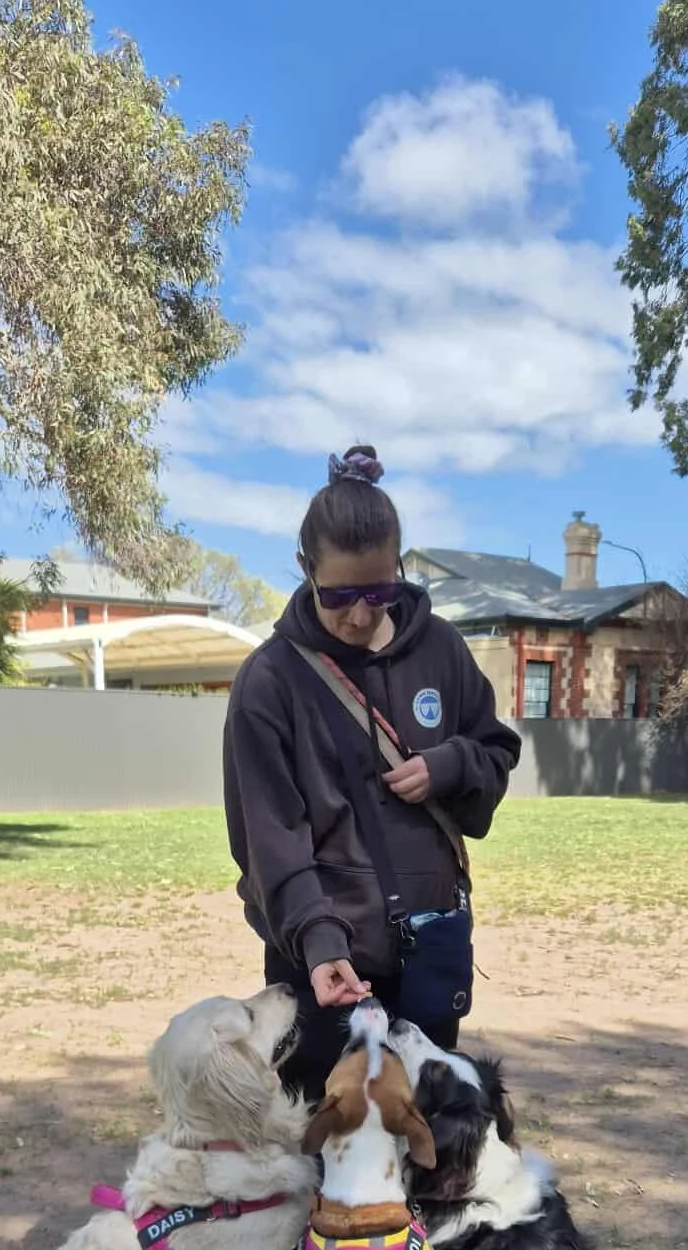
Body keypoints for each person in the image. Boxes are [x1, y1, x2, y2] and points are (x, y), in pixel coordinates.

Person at [222, 444, 521, 1104]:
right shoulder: (269, 682)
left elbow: (496, 752)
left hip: (428, 954)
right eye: (339, 596)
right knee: (323, 1150)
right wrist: (321, 942)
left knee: (427, 1144)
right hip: (324, 964)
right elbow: (271, 840)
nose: (359, 615)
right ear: (306, 572)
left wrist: (449, 765)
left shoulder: (440, 649)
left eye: (378, 592)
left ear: (400, 570)